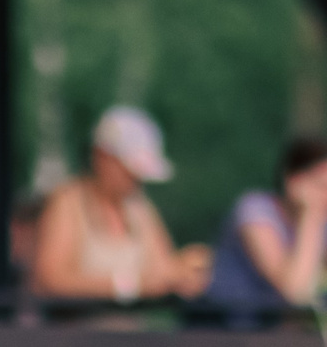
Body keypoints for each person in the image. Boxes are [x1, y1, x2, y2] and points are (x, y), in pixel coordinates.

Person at [24, 106, 210, 310]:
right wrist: (129, 286)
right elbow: (49, 280)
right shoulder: (67, 203)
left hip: (132, 338)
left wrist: (183, 274)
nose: (137, 179)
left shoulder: (140, 208)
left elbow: (160, 273)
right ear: (102, 157)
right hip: (72, 339)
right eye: (129, 170)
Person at [209, 135, 327, 325]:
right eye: (326, 186)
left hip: (284, 340)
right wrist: (312, 215)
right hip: (229, 333)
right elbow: (295, 294)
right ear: (293, 182)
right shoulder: (254, 211)